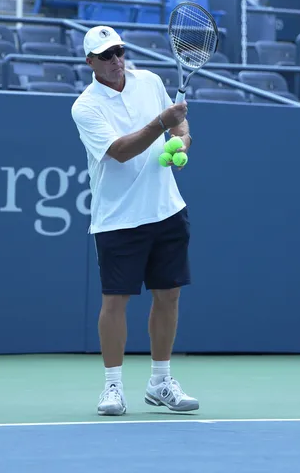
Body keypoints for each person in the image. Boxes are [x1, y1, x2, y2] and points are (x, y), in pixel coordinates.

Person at [71, 25, 199, 416]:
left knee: (169, 295)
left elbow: (180, 125)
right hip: (118, 219)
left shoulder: (151, 81)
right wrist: (163, 123)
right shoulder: (85, 106)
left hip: (167, 209)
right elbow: (122, 151)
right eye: (105, 55)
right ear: (89, 61)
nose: (115, 61)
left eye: (119, 52)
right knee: (115, 302)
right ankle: (112, 388)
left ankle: (161, 382)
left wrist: (181, 141)